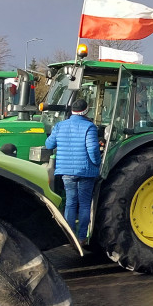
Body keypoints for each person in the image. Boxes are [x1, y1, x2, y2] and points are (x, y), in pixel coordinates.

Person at [45, 97, 101, 247]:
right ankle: (82, 237)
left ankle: (69, 237)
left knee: (70, 203)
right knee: (84, 204)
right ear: (86, 111)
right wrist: (97, 163)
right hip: (86, 171)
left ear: (72, 110)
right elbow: (93, 149)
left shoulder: (60, 125)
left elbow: (49, 143)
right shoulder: (89, 127)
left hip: (66, 171)